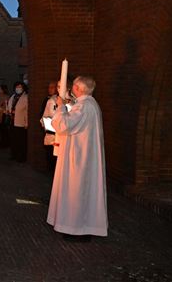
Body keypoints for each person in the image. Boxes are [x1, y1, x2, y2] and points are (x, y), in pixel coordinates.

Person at [47, 76, 107, 241]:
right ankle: (81, 227)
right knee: (82, 191)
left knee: (76, 190)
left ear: (79, 89)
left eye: (73, 85)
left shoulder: (83, 106)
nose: (71, 87)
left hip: (78, 157)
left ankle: (76, 229)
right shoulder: (90, 104)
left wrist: (60, 108)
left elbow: (63, 125)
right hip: (84, 154)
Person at [7, 81, 28, 162]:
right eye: (17, 87)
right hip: (12, 121)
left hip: (21, 122)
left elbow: (27, 111)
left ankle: (21, 157)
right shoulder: (13, 96)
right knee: (13, 139)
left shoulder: (25, 97)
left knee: (21, 141)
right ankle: (14, 155)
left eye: (20, 87)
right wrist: (9, 111)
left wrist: (26, 123)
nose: (18, 89)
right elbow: (10, 106)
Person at [41, 81, 59, 174]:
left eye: (52, 87)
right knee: (49, 153)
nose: (50, 89)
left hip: (57, 132)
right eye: (49, 87)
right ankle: (50, 170)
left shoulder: (57, 101)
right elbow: (43, 115)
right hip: (49, 130)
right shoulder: (48, 100)